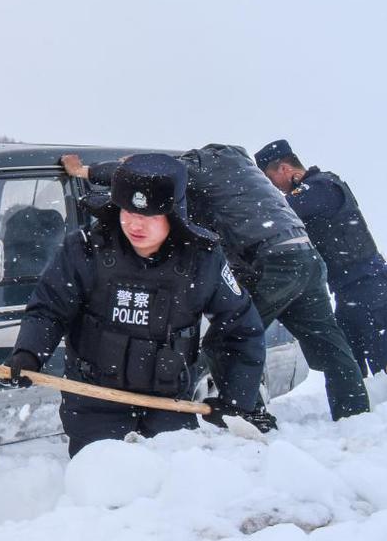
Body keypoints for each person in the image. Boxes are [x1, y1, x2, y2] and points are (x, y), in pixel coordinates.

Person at [63, 145, 371, 421]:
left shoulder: (200, 163)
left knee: (228, 339)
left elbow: (146, 177)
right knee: (331, 345)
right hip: (305, 257)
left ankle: (241, 416)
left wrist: (86, 171)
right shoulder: (239, 171)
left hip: (274, 261)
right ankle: (355, 417)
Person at [5, 154, 268, 457]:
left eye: (150, 216)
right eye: (127, 211)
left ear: (173, 214)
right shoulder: (85, 249)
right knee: (105, 494)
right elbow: (49, 309)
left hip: (170, 409)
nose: (135, 224)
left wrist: (235, 400)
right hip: (95, 405)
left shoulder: (202, 259)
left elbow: (241, 328)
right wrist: (28, 354)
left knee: (165, 498)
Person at [256, 139, 387, 375]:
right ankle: (360, 412)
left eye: (270, 178)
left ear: (284, 168)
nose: (274, 187)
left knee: (381, 365)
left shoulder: (322, 186)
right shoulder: (312, 191)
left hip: (370, 290)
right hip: (348, 293)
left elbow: (279, 212)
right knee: (347, 366)